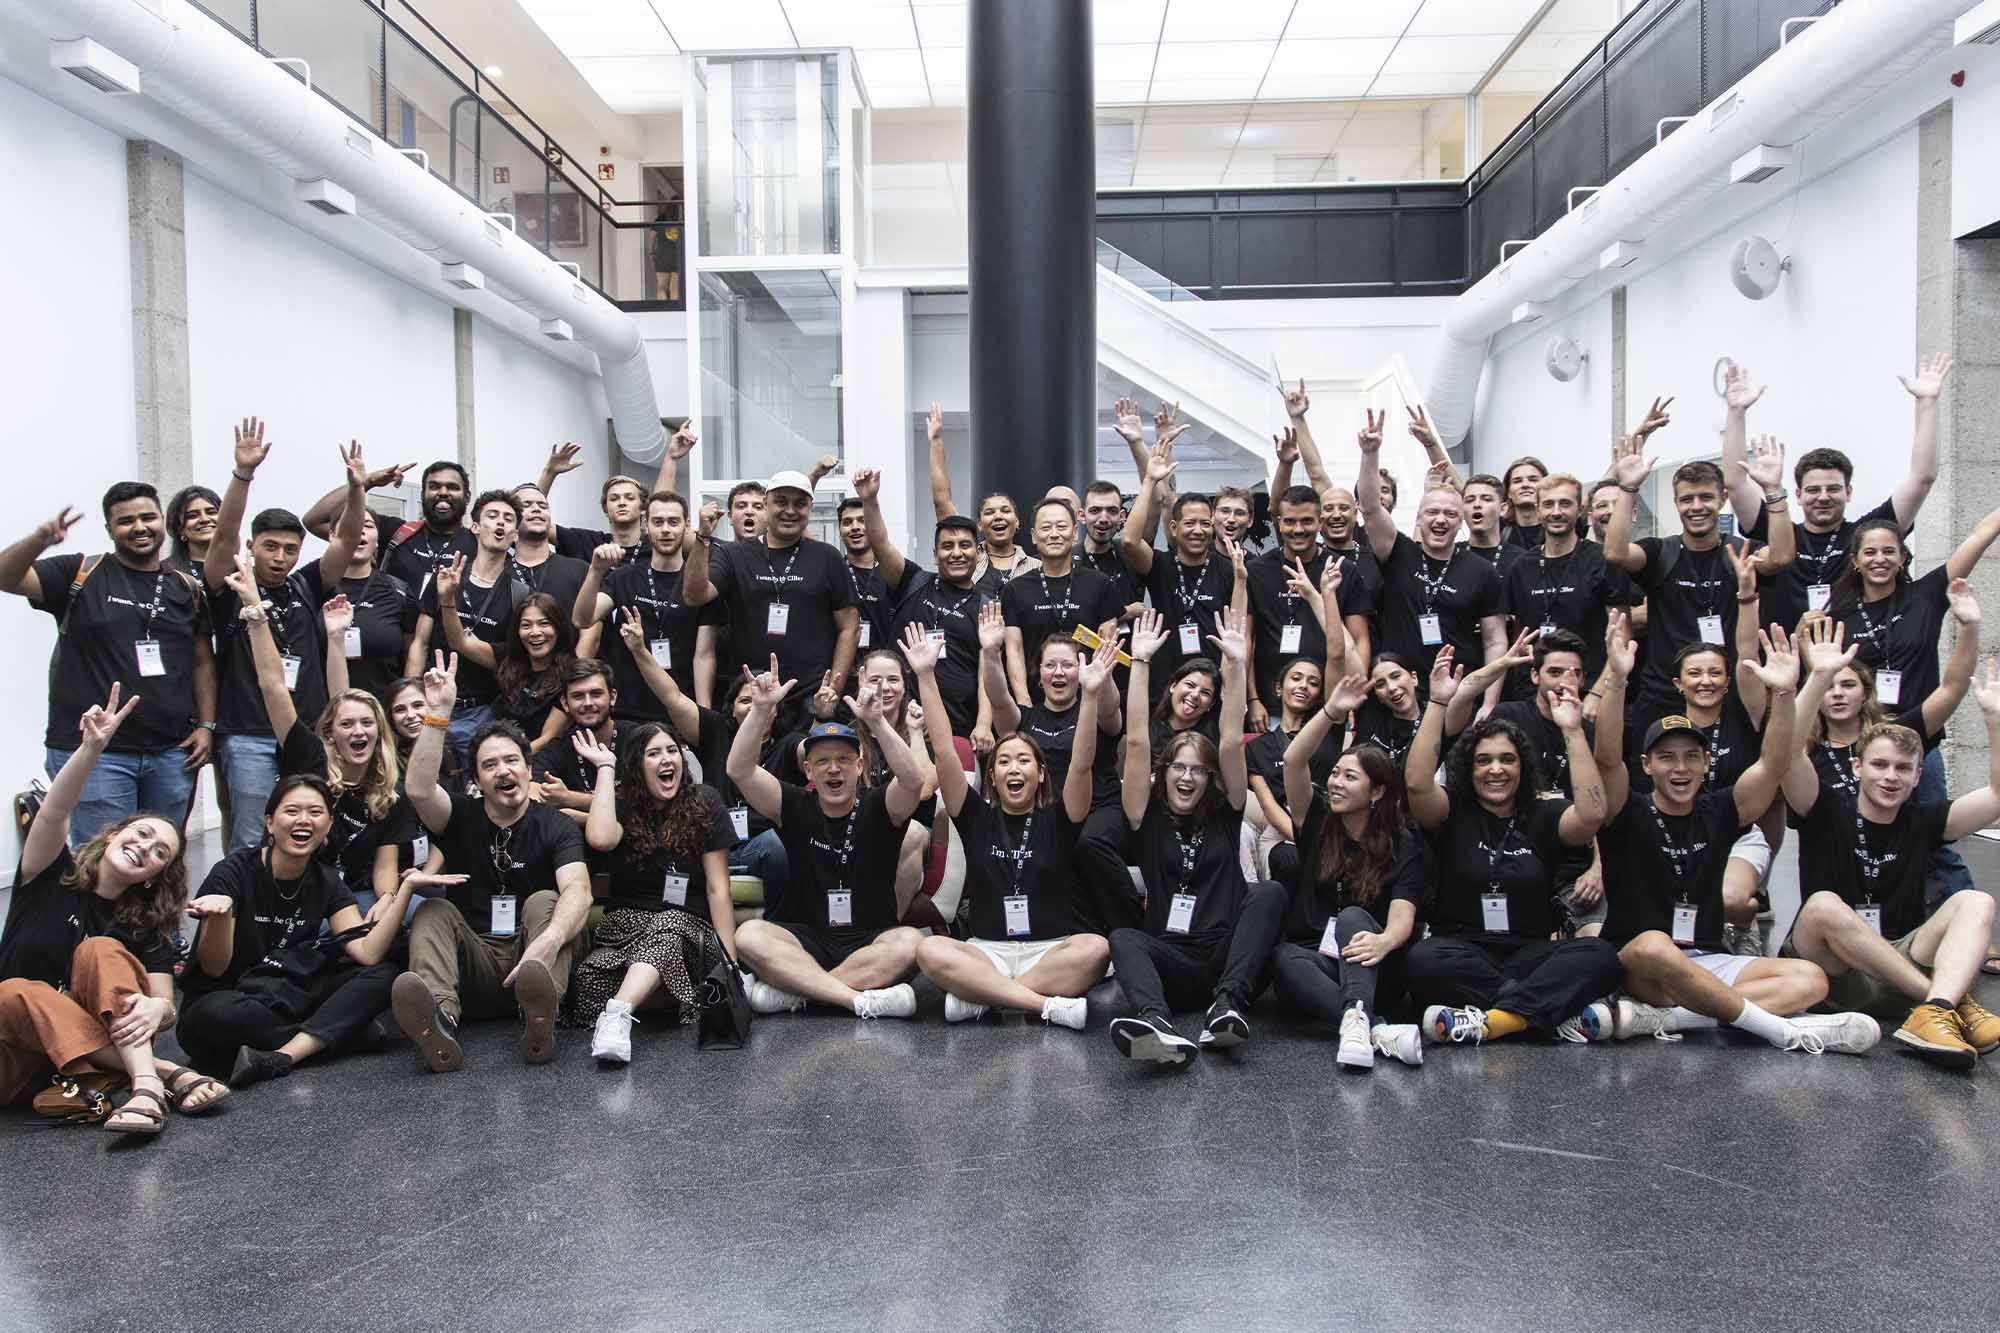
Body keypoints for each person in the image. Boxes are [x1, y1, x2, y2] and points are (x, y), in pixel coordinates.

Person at [1588, 617, 1879, 1054]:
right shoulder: (1627, 810)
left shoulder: (1721, 809)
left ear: (1707, 763)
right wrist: (1615, 678)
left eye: (1691, 757)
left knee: (1811, 979)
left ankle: (1671, 1019)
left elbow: (1774, 763)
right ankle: (1782, 1031)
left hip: (1707, 958)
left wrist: (1786, 693)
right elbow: (1608, 759)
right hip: (1641, 963)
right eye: (1667, 758)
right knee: (1655, 945)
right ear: (1647, 765)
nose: (1680, 768)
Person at [0, 685, 227, 1134]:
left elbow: (164, 1005)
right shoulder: (50, 876)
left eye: (160, 852)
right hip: (14, 1057)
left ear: (155, 875)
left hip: (87, 1057)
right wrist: (91, 749)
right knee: (14, 993)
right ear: (111, 836)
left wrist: (159, 1010)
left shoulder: (146, 925)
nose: (145, 847)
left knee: (100, 950)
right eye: (141, 834)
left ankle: (143, 1090)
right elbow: (54, 812)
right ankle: (161, 1074)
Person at [1777, 622, 2000, 1068]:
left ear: (1918, 777)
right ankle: (1943, 1004)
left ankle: (1933, 1010)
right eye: (1879, 765)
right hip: (1833, 972)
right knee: (1822, 905)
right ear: (1857, 768)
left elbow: (1996, 796)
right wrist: (1817, 677)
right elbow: (1786, 755)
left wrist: (1994, 721)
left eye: (1902, 768)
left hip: (1898, 962)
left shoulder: (1923, 818)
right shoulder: (1824, 806)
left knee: (1976, 901)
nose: (1890, 776)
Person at [1400, 646, 1619, 1045]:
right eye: (1484, 761)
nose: (1496, 769)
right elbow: (1416, 783)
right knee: (1423, 960)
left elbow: (1592, 815)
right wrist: (1437, 703)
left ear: (1523, 766)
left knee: (1600, 956)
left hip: (1530, 952)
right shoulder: (1451, 811)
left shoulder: (1544, 813)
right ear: (1469, 768)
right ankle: (1539, 1013)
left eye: (1507, 759)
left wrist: (1572, 731)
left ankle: (1493, 1020)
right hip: (1462, 949)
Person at [389, 653, 595, 1071]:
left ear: (528, 768)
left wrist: (549, 941)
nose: (503, 771)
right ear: (477, 780)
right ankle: (439, 1021)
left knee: (546, 900)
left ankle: (540, 1016)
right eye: (490, 765)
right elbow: (419, 790)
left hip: (536, 959)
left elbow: (579, 891)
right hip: (477, 962)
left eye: (511, 761)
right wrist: (437, 715)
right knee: (432, 910)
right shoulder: (460, 816)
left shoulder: (555, 824)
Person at [905, 627, 1116, 1028]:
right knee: (929, 951)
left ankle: (985, 998)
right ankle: (1041, 1004)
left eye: (1023, 761)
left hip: (1049, 951)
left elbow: (1082, 764)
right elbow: (946, 751)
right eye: (1003, 761)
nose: (1014, 768)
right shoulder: (974, 816)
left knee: (1096, 948)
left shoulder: (1061, 818)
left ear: (1041, 773)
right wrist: (926, 676)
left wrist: (1090, 696)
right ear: (992, 776)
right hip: (988, 951)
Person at [1105, 608, 1290, 1065]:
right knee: (1124, 938)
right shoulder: (1144, 816)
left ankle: (1226, 1009)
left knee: (1268, 893)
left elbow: (1229, 741)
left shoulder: (1225, 813)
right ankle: (1157, 1023)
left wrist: (1237, 665)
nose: (1187, 777)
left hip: (1228, 958)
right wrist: (1140, 662)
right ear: (1163, 772)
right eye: (1178, 768)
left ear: (1211, 778)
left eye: (1198, 771)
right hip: (1172, 960)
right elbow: (1136, 741)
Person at [176, 776, 440, 1087]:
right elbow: (213, 968)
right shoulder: (232, 872)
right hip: (231, 999)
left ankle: (286, 1055)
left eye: (315, 812)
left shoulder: (326, 881)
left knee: (384, 973)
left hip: (287, 993)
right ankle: (337, 1033)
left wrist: (405, 890)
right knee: (214, 1015)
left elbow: (367, 953)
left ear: (328, 826)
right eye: (292, 811)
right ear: (270, 823)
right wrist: (220, 917)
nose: (304, 820)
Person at [2, 492, 214, 843]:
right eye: (126, 521)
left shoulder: (186, 587)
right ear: (109, 529)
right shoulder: (80, 572)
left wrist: (206, 725)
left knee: (161, 857)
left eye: (148, 517)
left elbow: (202, 661)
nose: (140, 527)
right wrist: (39, 540)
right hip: (94, 754)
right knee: (101, 859)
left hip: (171, 754)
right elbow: (6, 577)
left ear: (163, 522)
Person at [724, 658, 928, 1020]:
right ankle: (854, 999)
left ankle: (800, 994)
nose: (834, 768)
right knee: (749, 936)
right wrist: (760, 710)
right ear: (808, 770)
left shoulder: (880, 805)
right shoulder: (794, 804)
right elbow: (739, 770)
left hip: (871, 939)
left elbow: (914, 781)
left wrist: (877, 722)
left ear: (860, 766)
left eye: (844, 760)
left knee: (912, 943)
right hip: (806, 940)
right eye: (822, 761)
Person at [204, 428, 367, 851]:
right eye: (270, 547)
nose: (280, 558)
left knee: (308, 832)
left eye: (290, 550)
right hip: (249, 734)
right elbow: (222, 535)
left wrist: (357, 491)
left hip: (307, 732)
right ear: (252, 546)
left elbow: (347, 540)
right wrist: (243, 474)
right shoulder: (231, 587)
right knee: (250, 837)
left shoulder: (306, 585)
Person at [228, 557, 415, 918]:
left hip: (357, 895)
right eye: (348, 725)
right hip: (299, 897)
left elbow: (385, 869)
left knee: (412, 913)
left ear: (380, 732)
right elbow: (273, 686)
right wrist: (255, 612)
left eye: (367, 723)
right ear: (331, 732)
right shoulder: (310, 758)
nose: (358, 731)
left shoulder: (390, 790)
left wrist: (387, 903)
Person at [1722, 356, 1951, 634]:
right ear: (1798, 494)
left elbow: (1922, 479)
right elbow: (1735, 484)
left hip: (1854, 656)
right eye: (1813, 490)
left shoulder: (1867, 535)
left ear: (1848, 492)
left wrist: (1927, 403)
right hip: (1785, 655)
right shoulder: (1777, 533)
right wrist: (1735, 413)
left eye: (1833, 489)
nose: (1823, 497)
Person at [568, 723, 738, 1065]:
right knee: (587, 981)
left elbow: (718, 887)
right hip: (626, 930)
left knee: (668, 929)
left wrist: (730, 966)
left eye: (672, 750)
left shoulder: (705, 801)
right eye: (654, 753)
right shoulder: (621, 804)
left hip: (687, 929)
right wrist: (605, 768)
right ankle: (674, 993)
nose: (666, 760)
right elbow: (601, 838)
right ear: (636, 765)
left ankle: (617, 1015)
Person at [1603, 422, 1794, 723]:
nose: (1696, 507)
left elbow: (1781, 557)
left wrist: (1773, 490)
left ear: (1723, 499)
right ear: (1676, 503)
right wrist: (1627, 488)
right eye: (1686, 499)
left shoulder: (1740, 552)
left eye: (1705, 497)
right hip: (1663, 694)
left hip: (1728, 694)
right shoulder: (1659, 552)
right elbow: (1615, 552)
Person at [1271, 709, 1426, 1071]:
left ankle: (1360, 1014)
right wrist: (1331, 711)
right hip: (1323, 966)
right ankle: (1374, 1029)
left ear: (1377, 791)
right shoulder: (1319, 821)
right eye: (1335, 773)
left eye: (1350, 777)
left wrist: (1384, 941)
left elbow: (1403, 916)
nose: (1336, 783)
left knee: (1353, 917)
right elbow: (1293, 761)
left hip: (1374, 967)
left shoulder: (1402, 843)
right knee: (1284, 957)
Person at [683, 470, 858, 730]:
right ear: (766, 505)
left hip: (810, 697)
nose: (790, 510)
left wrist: (832, 690)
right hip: (751, 694)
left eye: (800, 503)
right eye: (781, 502)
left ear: (810, 508)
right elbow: (695, 595)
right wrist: (702, 538)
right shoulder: (733, 555)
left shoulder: (828, 557)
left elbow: (849, 628)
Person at [987, 611, 1127, 934]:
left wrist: (1101, 679)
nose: (1059, 672)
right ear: (1039, 675)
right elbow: (997, 698)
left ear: (1081, 671)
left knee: (1085, 842)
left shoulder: (1095, 708)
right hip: (1046, 817)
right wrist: (991, 652)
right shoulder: (1025, 720)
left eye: (1068, 665)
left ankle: (1125, 925)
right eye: (1050, 665)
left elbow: (1110, 710)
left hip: (1100, 811)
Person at [1354, 410, 1505, 707]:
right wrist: (1370, 453)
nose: (1440, 520)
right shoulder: (1398, 551)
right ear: (1418, 518)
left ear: (1460, 521)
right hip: (1398, 692)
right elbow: (1370, 508)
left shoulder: (1482, 571)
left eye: (1450, 514)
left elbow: (1495, 641)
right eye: (1432, 512)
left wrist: (1489, 703)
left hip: (1457, 694)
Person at [856, 469, 990, 738]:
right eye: (947, 546)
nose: (956, 553)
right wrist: (869, 501)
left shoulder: (987, 606)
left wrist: (984, 724)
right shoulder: (913, 580)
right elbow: (881, 544)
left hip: (958, 728)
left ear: (978, 553)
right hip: (899, 723)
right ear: (935, 554)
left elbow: (987, 673)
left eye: (964, 545)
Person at [1120, 439, 1245, 705]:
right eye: (1190, 523)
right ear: (1174, 528)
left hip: (1212, 687)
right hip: (1164, 684)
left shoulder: (1228, 568)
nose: (1198, 531)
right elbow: (1129, 541)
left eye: (1205, 524)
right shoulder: (1160, 564)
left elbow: (1238, 628)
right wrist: (1149, 482)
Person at [410, 490, 529, 769]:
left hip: (481, 711)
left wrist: (449, 604)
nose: (500, 523)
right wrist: (412, 695)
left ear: (514, 535)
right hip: (432, 701)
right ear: (475, 527)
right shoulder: (446, 577)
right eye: (492, 516)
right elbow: (420, 642)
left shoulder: (519, 593)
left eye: (508, 519)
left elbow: (505, 659)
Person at [1245, 567, 1347, 884]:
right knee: (1286, 860)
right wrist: (1306, 840)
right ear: (1279, 688)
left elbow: (1337, 654)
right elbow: (1268, 806)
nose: (1304, 685)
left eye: (1313, 682)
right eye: (1296, 678)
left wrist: (1325, 596)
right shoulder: (1257, 747)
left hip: (1331, 828)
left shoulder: (1328, 727)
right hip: (1282, 834)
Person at [574, 490, 712, 723]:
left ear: (686, 526)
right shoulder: (623, 578)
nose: (666, 529)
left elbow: (704, 656)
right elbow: (582, 619)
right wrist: (595, 571)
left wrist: (703, 716)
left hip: (679, 708)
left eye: (673, 522)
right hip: (628, 708)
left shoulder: (697, 585)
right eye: (658, 522)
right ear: (646, 526)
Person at [1496, 472, 1635, 700]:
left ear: (1580, 510)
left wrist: (1598, 694)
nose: (1556, 512)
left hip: (1588, 689)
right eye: (1548, 504)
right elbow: (1518, 630)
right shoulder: (1521, 567)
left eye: (1565, 504)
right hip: (1534, 691)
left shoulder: (1602, 560)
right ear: (1538, 511)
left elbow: (1622, 636)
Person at [1245, 486, 1365, 731]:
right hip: (1270, 706)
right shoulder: (1256, 570)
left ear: (1320, 522)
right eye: (1290, 521)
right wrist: (1252, 699)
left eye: (1307, 521)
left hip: (1329, 701)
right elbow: (1247, 639)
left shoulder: (1341, 569)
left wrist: (1354, 692)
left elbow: (1359, 638)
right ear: (1279, 523)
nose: (1298, 529)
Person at [435, 571, 577, 752]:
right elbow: (459, 642)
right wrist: (447, 599)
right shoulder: (509, 657)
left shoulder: (570, 674)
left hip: (535, 757)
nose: (535, 632)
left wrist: (507, 758)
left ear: (558, 628)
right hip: (497, 747)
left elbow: (547, 738)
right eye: (526, 625)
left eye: (544, 624)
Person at [1002, 498, 1121, 706]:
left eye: (1062, 526)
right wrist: (1023, 701)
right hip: (1034, 703)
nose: (1054, 534)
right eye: (1046, 527)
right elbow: (1014, 650)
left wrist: (1096, 700)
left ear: (1074, 533)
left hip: (1088, 700)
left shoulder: (1100, 584)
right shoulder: (1015, 589)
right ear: (1034, 536)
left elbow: (1106, 649)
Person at [535, 421, 697, 564]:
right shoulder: (587, 542)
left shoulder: (659, 542)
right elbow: (534, 523)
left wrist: (671, 458)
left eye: (629, 498)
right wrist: (549, 473)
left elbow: (661, 505)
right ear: (605, 507)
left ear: (643, 507)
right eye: (614, 498)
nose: (621, 502)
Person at [324, 508, 415, 701]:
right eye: (351, 524)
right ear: (332, 535)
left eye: (367, 525)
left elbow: (411, 653)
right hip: (324, 710)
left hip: (382, 710)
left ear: (378, 539)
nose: (359, 531)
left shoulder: (398, 591)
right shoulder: (312, 587)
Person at [530, 659, 626, 815]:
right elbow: (532, 798)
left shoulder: (640, 739)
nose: (587, 703)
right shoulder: (556, 750)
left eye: (596, 694)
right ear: (565, 704)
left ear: (612, 697)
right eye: (578, 696)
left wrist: (570, 799)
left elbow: (649, 802)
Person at [505, 484, 592, 619]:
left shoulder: (581, 570)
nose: (536, 509)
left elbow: (593, 626)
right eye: (526, 505)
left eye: (543, 506)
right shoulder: (497, 573)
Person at [834, 496, 895, 652]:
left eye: (863, 520)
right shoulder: (833, 572)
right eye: (847, 522)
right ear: (839, 530)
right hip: (843, 664)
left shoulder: (892, 572)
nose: (855, 527)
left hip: (883, 664)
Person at [1344, 652, 1425, 764]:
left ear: (1414, 678)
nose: (1391, 688)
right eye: (1380, 685)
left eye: (1396, 676)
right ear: (1377, 696)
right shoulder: (1372, 726)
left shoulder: (1437, 717)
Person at [1457, 473, 1525, 579]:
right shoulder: (1450, 554)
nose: (1477, 504)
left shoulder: (1521, 560)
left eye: (1486, 499)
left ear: (1503, 509)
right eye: (1469, 500)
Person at [163, 484, 220, 578]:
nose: (204, 519)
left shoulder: (241, 570)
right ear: (179, 528)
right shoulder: (165, 574)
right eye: (192, 516)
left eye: (211, 512)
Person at [1499, 456, 1548, 549]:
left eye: (1533, 480)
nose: (1525, 485)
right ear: (1508, 492)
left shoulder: (1559, 526)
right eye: (1517, 481)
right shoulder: (1497, 529)